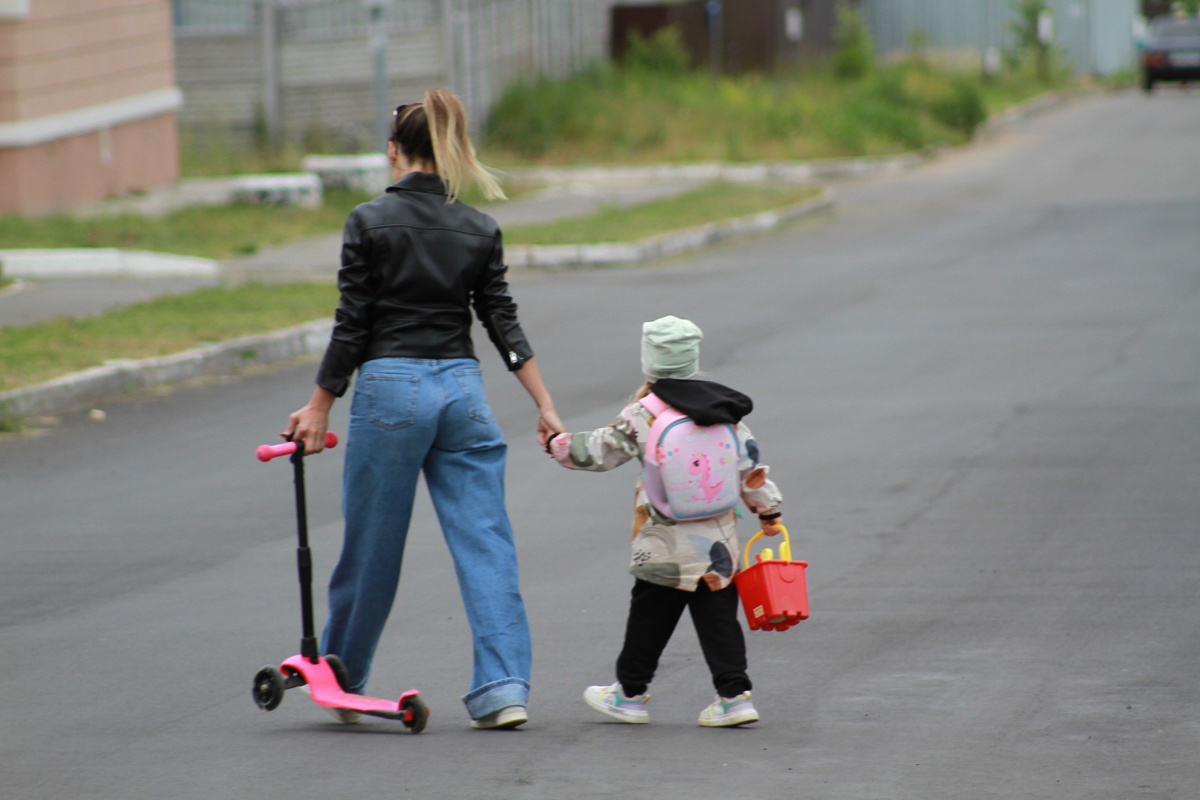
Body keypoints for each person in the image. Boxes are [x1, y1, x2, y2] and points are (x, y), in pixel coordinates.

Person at [284, 88, 564, 730]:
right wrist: (545, 405)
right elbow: (503, 325)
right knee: (487, 543)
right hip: (464, 392)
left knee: (372, 545)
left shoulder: (367, 221)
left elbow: (353, 325)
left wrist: (319, 406)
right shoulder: (479, 227)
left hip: (391, 389)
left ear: (394, 153)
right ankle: (502, 690)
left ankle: (345, 669)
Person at [544, 315, 784, 727]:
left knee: (649, 620)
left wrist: (557, 444)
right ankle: (734, 697)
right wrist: (769, 510)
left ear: (649, 363)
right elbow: (751, 468)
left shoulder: (644, 412)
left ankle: (630, 694)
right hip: (717, 547)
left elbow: (601, 450)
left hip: (662, 544)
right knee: (719, 620)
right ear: (692, 360)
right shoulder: (724, 410)